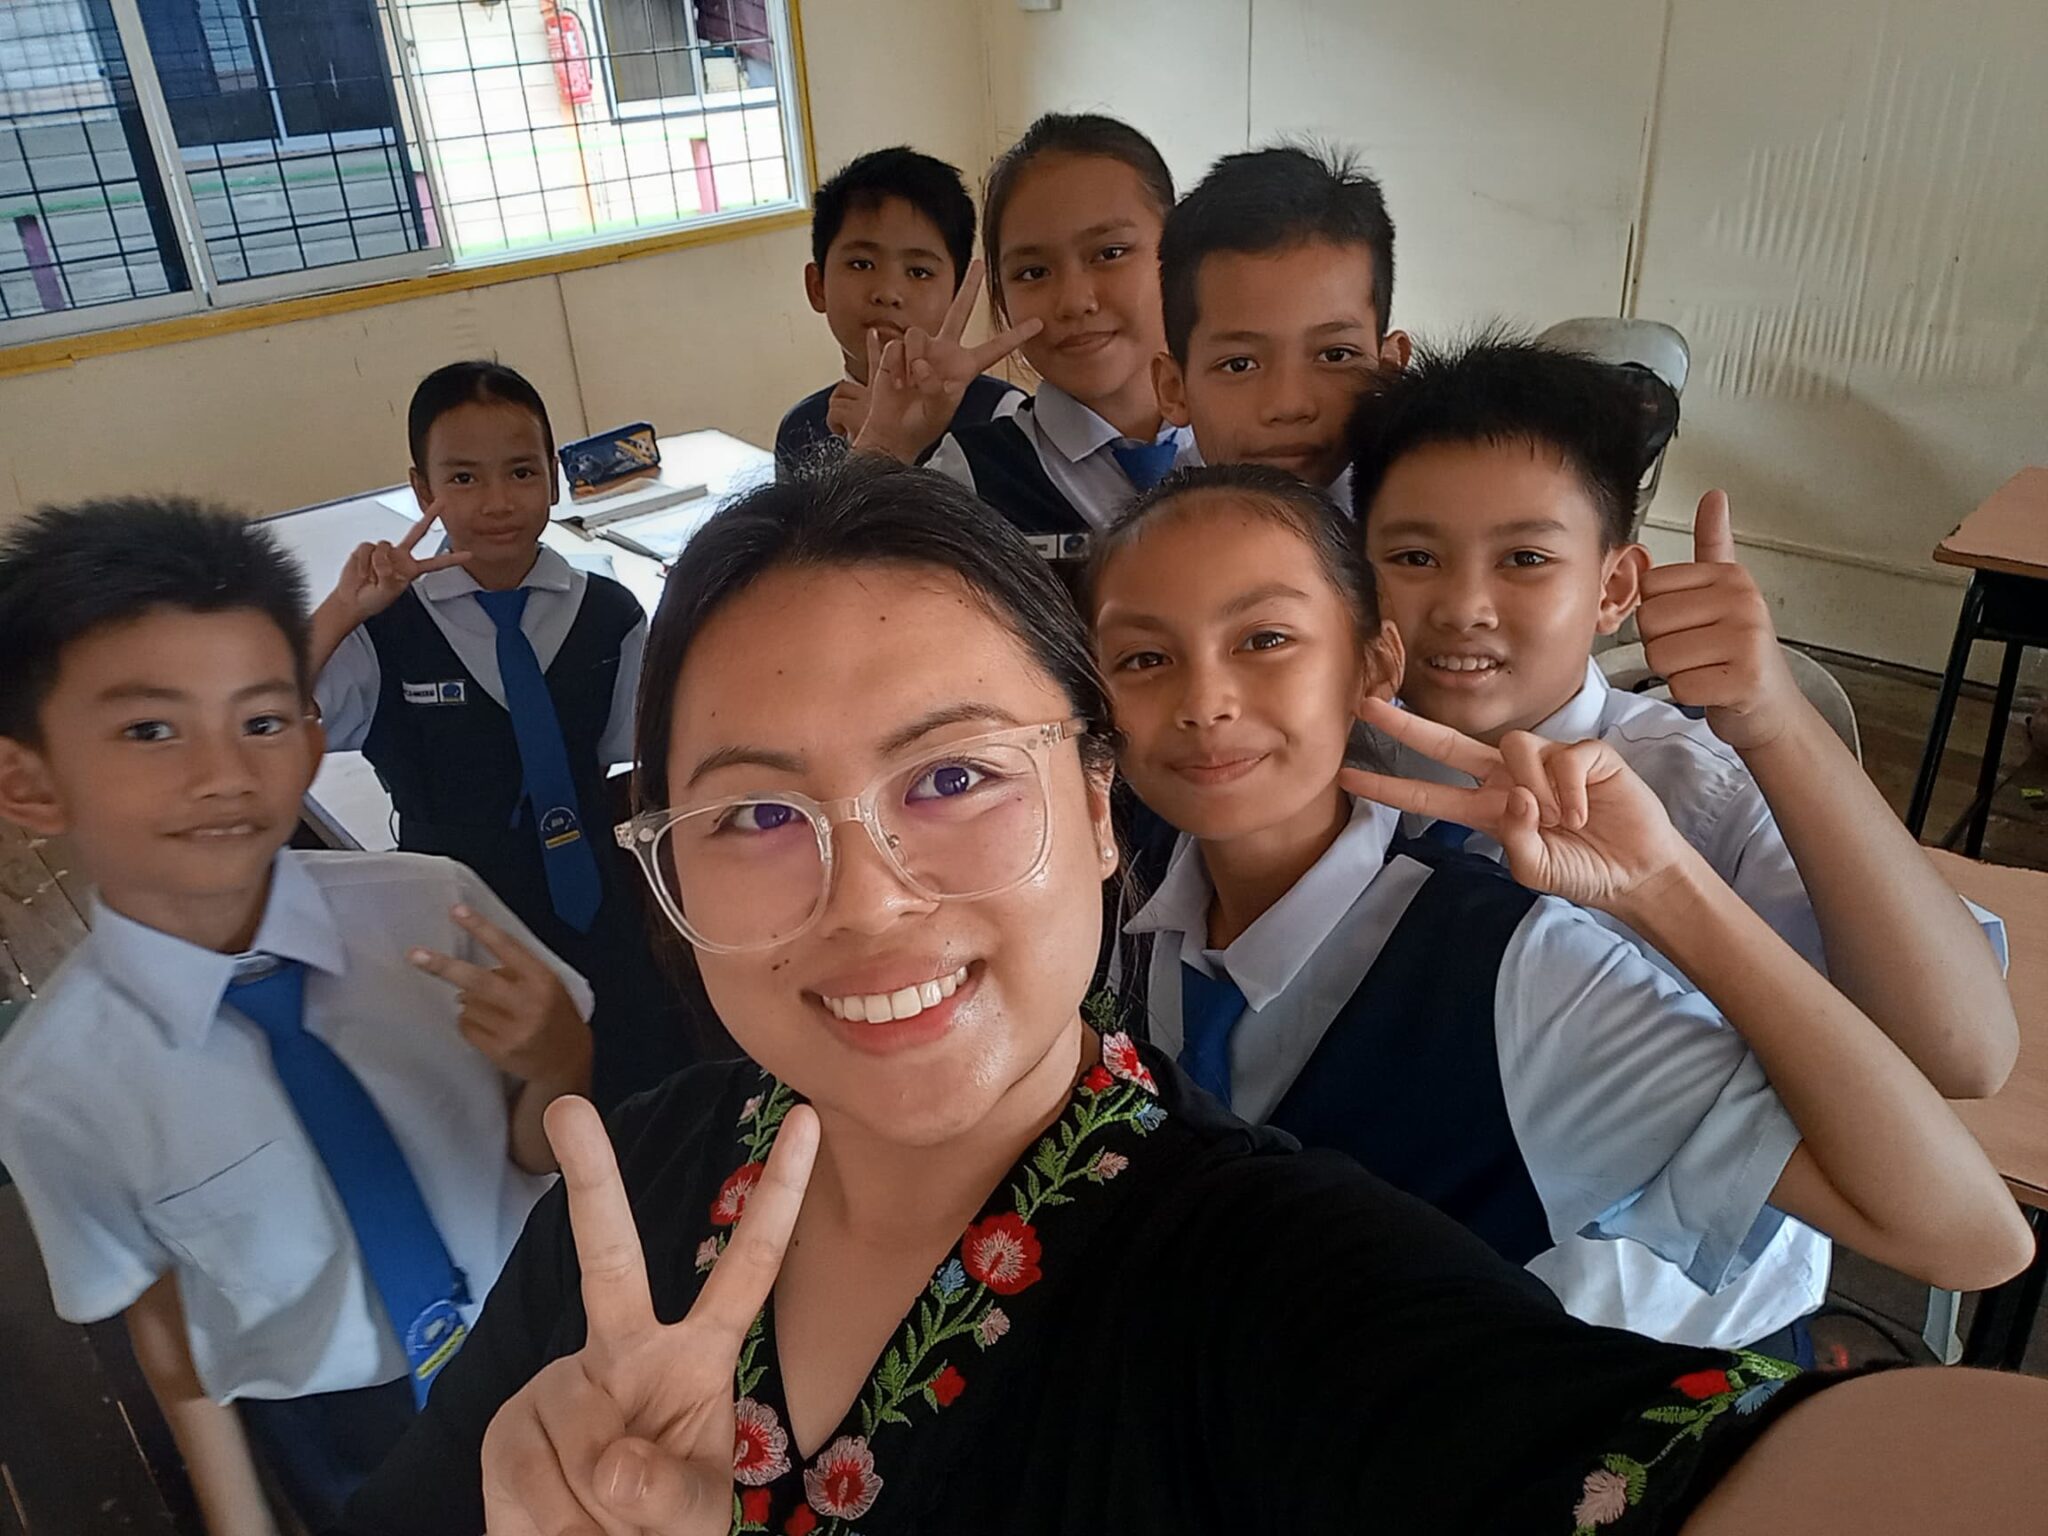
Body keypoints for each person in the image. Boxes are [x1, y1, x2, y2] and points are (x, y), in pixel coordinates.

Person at [338, 457, 2047, 1536]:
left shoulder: (1274, 1279)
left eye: (953, 778)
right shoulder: (634, 1198)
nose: (865, 900)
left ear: (1095, 805)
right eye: (754, 816)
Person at [1090, 462, 2027, 1351]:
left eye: (1265, 640)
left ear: (1374, 664)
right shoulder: (1113, 884)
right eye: (1143, 657)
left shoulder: (1519, 976)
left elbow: (1968, 1236)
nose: (1203, 701)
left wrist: (1664, 887)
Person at [1348, 335, 2018, 1349]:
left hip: (1667, 1337)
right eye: (1412, 557)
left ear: (1616, 588)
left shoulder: (1695, 783)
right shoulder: (1325, 768)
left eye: (1525, 559)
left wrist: (1772, 720)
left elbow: (1963, 1053)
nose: (1463, 606)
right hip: (1419, 1307)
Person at [0, 497, 594, 1532]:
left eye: (263, 720)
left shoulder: (433, 909)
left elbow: (534, 1150)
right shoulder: (54, 1087)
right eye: (150, 729)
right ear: (30, 783)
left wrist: (557, 1057)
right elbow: (167, 1330)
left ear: (312, 737)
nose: (224, 773)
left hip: (547, 1338)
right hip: (341, 1424)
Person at [309, 359, 695, 1107]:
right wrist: (342, 611)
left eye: (521, 472)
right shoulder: (385, 631)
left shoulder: (609, 615)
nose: (496, 502)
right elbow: (257, 717)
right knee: (499, 1108)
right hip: (455, 927)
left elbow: (643, 760)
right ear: (420, 488)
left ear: (553, 478)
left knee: (638, 1088)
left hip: (601, 915)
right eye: (462, 478)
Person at [858, 113, 1188, 557]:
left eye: (1110, 253)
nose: (1074, 301)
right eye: (1033, 272)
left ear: (1182, 251)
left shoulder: (1245, 431)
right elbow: (843, 582)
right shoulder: (970, 478)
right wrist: (886, 443)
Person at [1155, 144, 1409, 500]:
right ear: (1173, 388)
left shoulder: (1427, 521)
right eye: (1239, 364)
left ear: (1389, 370)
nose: (1289, 406)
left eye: (1335, 355)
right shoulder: (1152, 534)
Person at [776, 147, 1023, 470]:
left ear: (957, 294)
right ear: (817, 286)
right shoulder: (800, 429)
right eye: (861, 264)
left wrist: (886, 448)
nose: (888, 293)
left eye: (919, 272)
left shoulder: (1003, 417)